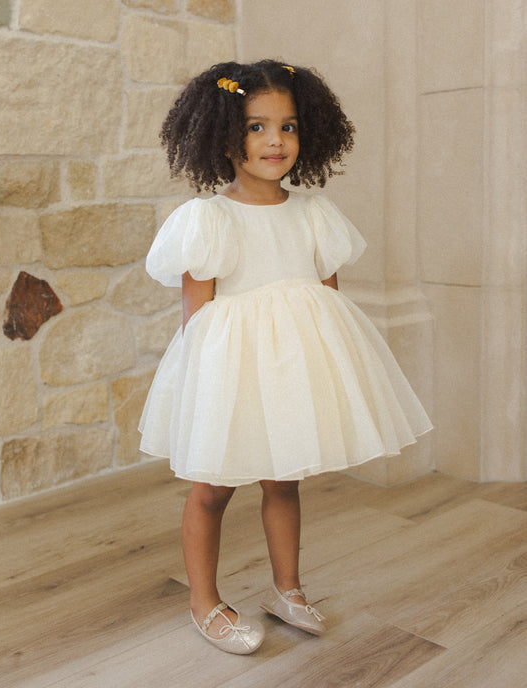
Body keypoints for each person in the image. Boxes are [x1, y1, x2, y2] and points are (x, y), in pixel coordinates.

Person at [139, 59, 432, 655]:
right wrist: (209, 397)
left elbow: (326, 306)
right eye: (256, 127)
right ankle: (204, 602)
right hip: (231, 375)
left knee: (284, 480)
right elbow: (199, 321)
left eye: (288, 126)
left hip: (290, 373)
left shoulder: (314, 214)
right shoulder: (208, 219)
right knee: (212, 490)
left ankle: (287, 589)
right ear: (224, 136)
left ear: (308, 133)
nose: (275, 140)